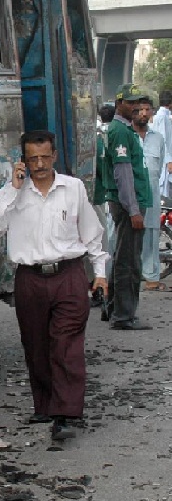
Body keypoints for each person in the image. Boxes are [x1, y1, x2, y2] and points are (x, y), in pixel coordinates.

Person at [0, 130, 108, 441]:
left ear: (54, 156)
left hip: (69, 276)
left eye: (44, 157)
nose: (39, 164)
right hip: (30, 279)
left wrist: (101, 273)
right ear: (23, 160)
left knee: (65, 346)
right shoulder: (12, 192)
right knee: (36, 345)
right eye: (32, 158)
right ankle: (45, 404)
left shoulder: (73, 188)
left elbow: (92, 233)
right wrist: (12, 189)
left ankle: (65, 414)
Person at [99, 83, 153, 329]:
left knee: (123, 256)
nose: (134, 107)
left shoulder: (124, 130)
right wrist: (133, 209)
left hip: (127, 203)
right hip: (128, 204)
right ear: (119, 103)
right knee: (129, 262)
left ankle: (113, 310)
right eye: (130, 102)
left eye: (137, 102)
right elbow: (123, 174)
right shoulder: (120, 131)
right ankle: (124, 316)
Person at [134, 99, 169, 291]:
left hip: (152, 194)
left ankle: (151, 277)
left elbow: (160, 163)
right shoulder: (127, 136)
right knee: (127, 236)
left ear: (152, 112)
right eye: (139, 109)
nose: (143, 113)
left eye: (147, 110)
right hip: (131, 196)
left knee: (152, 233)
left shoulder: (157, 138)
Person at [92, 102, 116, 308]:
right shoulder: (96, 138)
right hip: (96, 198)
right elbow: (103, 168)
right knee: (100, 243)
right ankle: (99, 288)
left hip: (93, 197)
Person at [152, 90, 172, 202]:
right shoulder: (162, 117)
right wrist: (169, 160)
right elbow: (163, 139)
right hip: (164, 159)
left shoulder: (163, 116)